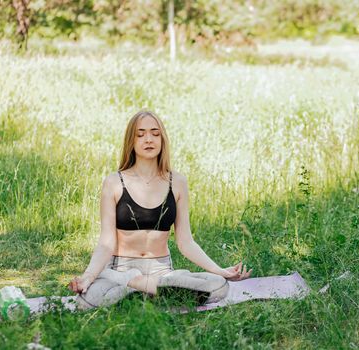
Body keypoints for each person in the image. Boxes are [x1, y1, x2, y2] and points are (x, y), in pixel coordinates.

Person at [68, 110, 252, 309]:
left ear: (163, 139)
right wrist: (88, 277)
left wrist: (219, 271)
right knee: (86, 301)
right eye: (141, 134)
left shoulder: (177, 182)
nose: (149, 139)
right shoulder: (114, 182)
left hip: (162, 273)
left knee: (219, 286)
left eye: (155, 133)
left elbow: (186, 242)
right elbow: (106, 243)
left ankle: (143, 290)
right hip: (121, 271)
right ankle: (146, 289)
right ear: (131, 141)